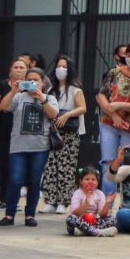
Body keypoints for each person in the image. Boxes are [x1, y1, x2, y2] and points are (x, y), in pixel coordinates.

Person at [0, 67, 59, 227]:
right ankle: (9, 214)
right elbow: (4, 107)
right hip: (18, 146)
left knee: (34, 181)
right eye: (29, 80)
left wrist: (42, 99)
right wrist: (12, 92)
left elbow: (54, 114)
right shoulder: (18, 97)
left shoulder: (49, 98)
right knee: (15, 179)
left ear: (43, 82)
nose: (32, 83)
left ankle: (30, 215)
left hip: (40, 147)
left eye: (35, 80)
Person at [39, 57, 86, 215]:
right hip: (53, 132)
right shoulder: (51, 90)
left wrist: (67, 115)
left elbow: (83, 108)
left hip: (70, 133)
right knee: (51, 166)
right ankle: (50, 200)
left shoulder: (75, 89)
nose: (61, 69)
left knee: (66, 167)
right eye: (58, 66)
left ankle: (63, 201)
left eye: (64, 66)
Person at [98, 41, 130, 196]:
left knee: (129, 165)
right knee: (108, 163)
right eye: (129, 55)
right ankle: (107, 203)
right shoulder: (114, 73)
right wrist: (114, 115)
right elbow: (101, 96)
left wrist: (119, 105)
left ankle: (127, 202)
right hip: (109, 123)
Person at [0, 57, 30, 211]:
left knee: (21, 166)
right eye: (16, 67)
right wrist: (12, 93)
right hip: (5, 129)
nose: (18, 70)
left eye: (22, 67)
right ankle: (5, 200)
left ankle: (17, 200)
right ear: (10, 70)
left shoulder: (30, 86)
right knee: (5, 165)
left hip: (25, 131)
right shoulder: (2, 85)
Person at [66, 166, 117, 236]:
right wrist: (86, 204)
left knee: (112, 219)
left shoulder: (99, 194)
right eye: (87, 179)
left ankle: (85, 231)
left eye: (93, 180)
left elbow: (102, 215)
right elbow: (74, 213)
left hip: (93, 222)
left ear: (97, 182)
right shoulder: (77, 193)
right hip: (80, 221)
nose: (90, 182)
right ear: (81, 181)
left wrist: (107, 203)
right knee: (70, 219)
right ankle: (97, 232)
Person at [108, 146, 130, 234]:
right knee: (122, 214)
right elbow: (111, 177)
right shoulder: (127, 169)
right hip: (129, 213)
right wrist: (118, 160)